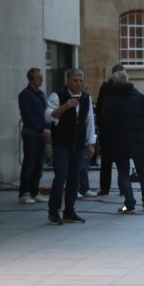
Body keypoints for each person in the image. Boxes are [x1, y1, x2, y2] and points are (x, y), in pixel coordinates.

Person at [98, 69, 144, 213]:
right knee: (143, 171)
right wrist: (143, 132)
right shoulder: (141, 97)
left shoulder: (110, 100)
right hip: (139, 140)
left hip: (118, 142)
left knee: (123, 172)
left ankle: (129, 204)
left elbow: (106, 124)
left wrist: (107, 139)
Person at [45, 68, 96, 225]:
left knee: (75, 178)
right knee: (61, 176)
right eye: (75, 80)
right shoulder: (57, 96)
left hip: (78, 144)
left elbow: (89, 121)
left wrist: (91, 143)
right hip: (62, 143)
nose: (78, 83)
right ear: (68, 81)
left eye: (81, 81)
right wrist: (65, 106)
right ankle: (53, 211)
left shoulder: (86, 98)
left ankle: (69, 211)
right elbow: (49, 115)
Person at [17, 68, 50, 205]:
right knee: (29, 163)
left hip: (42, 133)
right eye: (38, 78)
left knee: (38, 164)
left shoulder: (41, 94)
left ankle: (35, 191)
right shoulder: (25, 95)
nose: (41, 80)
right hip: (31, 133)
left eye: (41, 77)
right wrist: (41, 128)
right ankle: (24, 192)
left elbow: (45, 113)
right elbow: (27, 116)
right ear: (31, 79)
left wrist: (48, 127)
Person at [94, 63, 125, 196]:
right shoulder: (123, 88)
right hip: (119, 129)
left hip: (107, 129)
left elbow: (99, 107)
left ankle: (105, 187)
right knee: (121, 162)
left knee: (106, 161)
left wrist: (101, 125)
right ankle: (123, 188)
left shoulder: (105, 87)